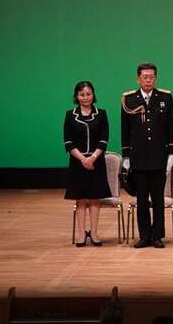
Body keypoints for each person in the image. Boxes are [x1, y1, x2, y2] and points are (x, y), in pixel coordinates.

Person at [121, 62, 173, 249]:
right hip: (138, 158)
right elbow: (125, 130)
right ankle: (144, 236)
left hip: (159, 157)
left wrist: (171, 155)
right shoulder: (129, 100)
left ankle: (157, 236)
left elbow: (171, 128)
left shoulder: (165, 98)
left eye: (151, 77)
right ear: (138, 78)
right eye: (145, 77)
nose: (148, 80)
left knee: (158, 199)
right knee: (142, 199)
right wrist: (126, 157)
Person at [63, 80, 111, 246]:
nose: (85, 97)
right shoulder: (70, 115)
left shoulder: (102, 114)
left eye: (88, 94)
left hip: (97, 162)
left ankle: (95, 234)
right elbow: (68, 142)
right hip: (78, 163)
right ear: (76, 96)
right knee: (81, 199)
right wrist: (83, 159)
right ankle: (81, 234)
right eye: (82, 94)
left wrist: (92, 158)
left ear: (93, 94)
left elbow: (104, 140)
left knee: (95, 199)